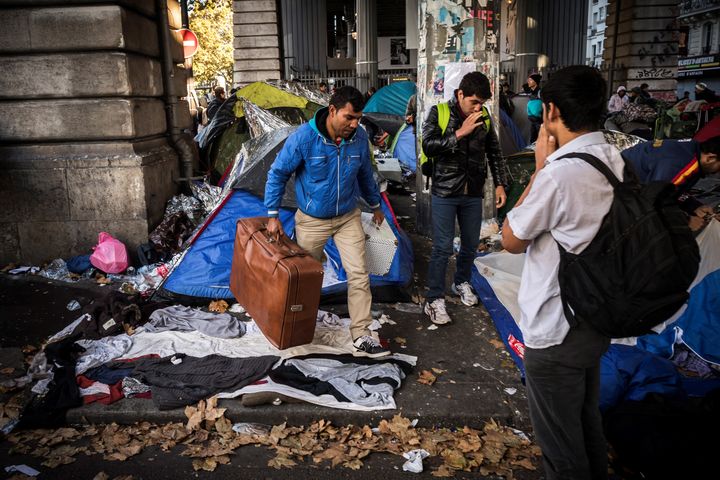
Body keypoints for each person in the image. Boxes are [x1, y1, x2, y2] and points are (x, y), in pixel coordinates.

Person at [501, 65, 622, 479]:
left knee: (560, 449)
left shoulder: (559, 173)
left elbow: (511, 239)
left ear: (551, 112)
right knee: (586, 425)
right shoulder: (614, 160)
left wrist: (539, 167)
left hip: (555, 327)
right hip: (596, 317)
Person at [264, 86, 389, 358]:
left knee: (358, 274)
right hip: (311, 221)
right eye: (349, 117)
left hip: (347, 217)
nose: (355, 124)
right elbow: (277, 173)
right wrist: (272, 216)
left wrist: (376, 205)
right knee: (303, 281)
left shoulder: (358, 138)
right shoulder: (304, 138)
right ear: (332, 111)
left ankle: (362, 335)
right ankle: (292, 330)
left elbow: (366, 175)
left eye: (358, 118)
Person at [422, 71, 508, 325]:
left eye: (482, 103)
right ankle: (433, 299)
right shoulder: (439, 113)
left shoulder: (485, 117)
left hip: (473, 191)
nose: (478, 107)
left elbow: (494, 151)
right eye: (474, 102)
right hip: (445, 191)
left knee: (470, 244)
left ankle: (461, 282)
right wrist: (460, 132)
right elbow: (428, 145)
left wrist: (501, 184)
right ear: (460, 94)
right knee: (442, 247)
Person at [621, 136, 720, 231]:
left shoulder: (692, 149)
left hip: (631, 181)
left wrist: (695, 206)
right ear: (710, 158)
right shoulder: (682, 164)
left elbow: (673, 190)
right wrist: (686, 220)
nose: (718, 172)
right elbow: (652, 200)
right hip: (618, 188)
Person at [527, 73, 543, 143]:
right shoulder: (531, 92)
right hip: (532, 120)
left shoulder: (540, 92)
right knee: (532, 139)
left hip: (539, 121)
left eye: (530, 80)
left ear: (535, 81)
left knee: (539, 139)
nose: (528, 81)